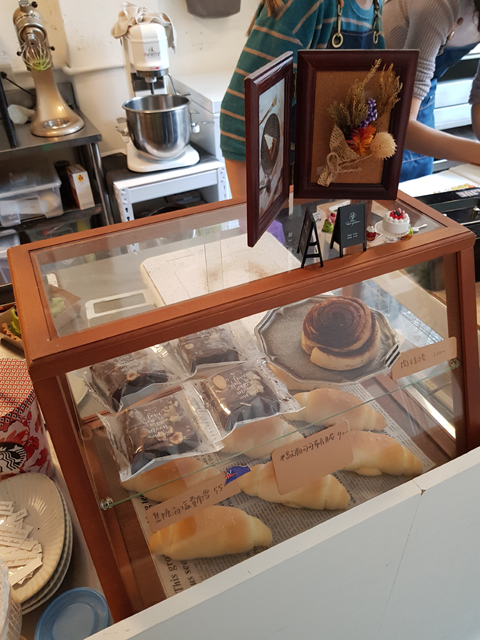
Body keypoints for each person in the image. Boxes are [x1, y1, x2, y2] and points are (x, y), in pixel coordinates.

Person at [220, 0, 384, 197]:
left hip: (334, 180)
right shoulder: (308, 4)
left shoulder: (376, 5)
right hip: (291, 190)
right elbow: (240, 118)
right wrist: (248, 209)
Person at [384, 0, 480, 182]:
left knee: (419, 190)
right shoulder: (438, 4)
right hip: (377, 101)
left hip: (421, 98)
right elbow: (402, 125)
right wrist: (476, 153)